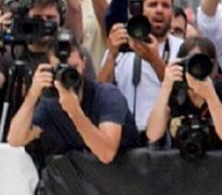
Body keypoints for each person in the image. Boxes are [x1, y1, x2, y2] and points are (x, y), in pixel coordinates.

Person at [6, 34, 139, 164]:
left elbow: (106, 154)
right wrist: (32, 95)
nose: (68, 76)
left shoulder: (107, 95)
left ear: (84, 63)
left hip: (122, 174)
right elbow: (15, 140)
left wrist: (74, 112)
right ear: (51, 70)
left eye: (73, 69)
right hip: (81, 175)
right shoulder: (50, 103)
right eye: (61, 70)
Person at [97, 0, 183, 133]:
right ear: (140, 10)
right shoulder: (122, 45)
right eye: (152, 5)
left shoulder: (181, 48)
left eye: (165, 5)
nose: (159, 10)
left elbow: (182, 95)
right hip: (124, 135)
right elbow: (101, 90)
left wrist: (155, 60)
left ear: (172, 12)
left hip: (163, 136)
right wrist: (112, 54)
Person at [145, 37, 222, 152]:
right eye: (192, 62)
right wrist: (165, 87)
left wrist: (211, 96)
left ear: (212, 64)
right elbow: (153, 135)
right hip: (180, 160)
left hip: (217, 159)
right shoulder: (175, 90)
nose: (197, 68)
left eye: (202, 62)